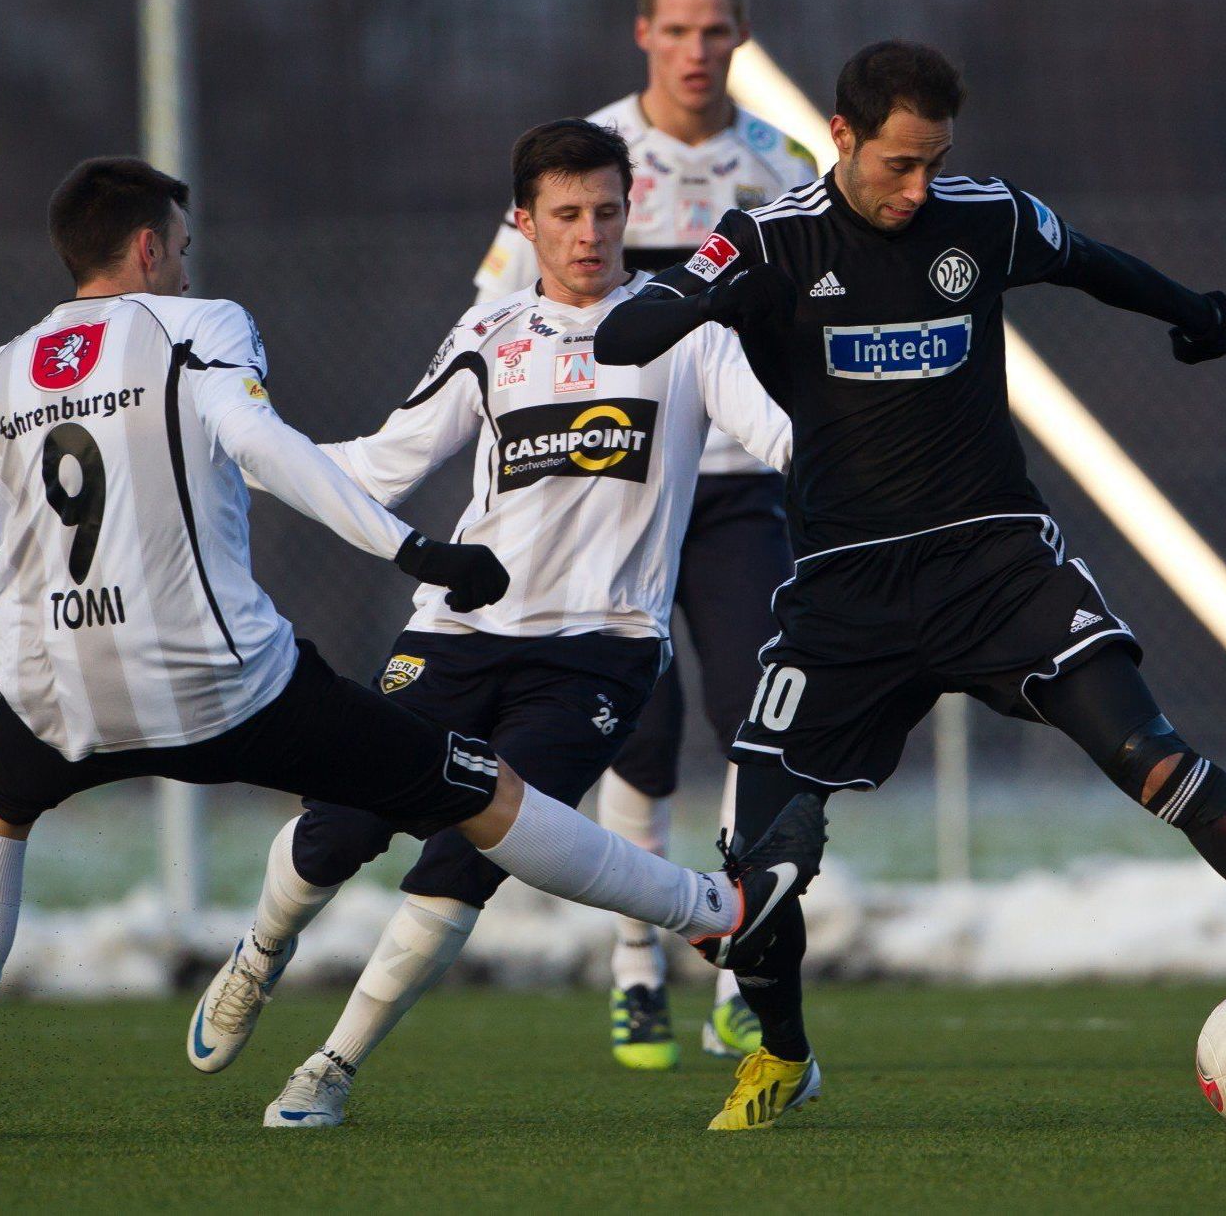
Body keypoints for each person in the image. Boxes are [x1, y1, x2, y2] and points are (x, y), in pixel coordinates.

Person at [0, 156, 823, 1140]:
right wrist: (410, 546)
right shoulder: (213, 325)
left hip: (63, 693)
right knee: (464, 803)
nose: (590, 231)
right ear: (148, 247)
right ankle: (712, 904)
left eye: (606, 211)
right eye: (179, 248)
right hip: (233, 684)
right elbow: (286, 446)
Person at [597, 40, 1226, 1131]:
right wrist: (666, 307)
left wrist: (1191, 311)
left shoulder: (982, 217)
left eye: (934, 163)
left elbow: (1090, 261)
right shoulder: (769, 241)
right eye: (897, 165)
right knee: (761, 859)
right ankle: (782, 1055)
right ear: (841, 138)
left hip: (997, 561)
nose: (918, 189)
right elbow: (631, 325)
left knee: (1152, 756)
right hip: (843, 595)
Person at [188, 118, 793, 1126]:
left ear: (628, 209)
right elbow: (383, 462)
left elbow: (778, 437)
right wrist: (237, 454)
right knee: (336, 829)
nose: (589, 232)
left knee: (470, 852)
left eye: (606, 210)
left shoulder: (690, 331)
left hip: (599, 656)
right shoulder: (491, 334)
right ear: (524, 222)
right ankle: (257, 954)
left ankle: (330, 1068)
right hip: (457, 637)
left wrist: (864, 484)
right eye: (564, 214)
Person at [473, 0, 815, 1062]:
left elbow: (820, 312)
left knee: (753, 711)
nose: (696, 49)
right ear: (643, 36)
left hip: (729, 490)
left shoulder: (779, 163)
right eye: (676, 29)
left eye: (716, 29)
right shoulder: (588, 156)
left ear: (740, 36)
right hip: (605, 482)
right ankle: (635, 964)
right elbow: (491, 312)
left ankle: (739, 951)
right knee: (639, 729)